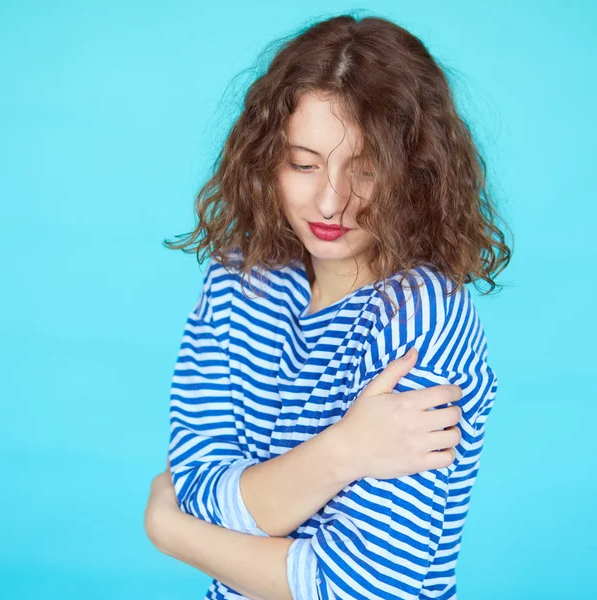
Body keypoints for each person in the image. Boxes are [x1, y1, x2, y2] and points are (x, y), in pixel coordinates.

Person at [159, 13, 511, 600]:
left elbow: (363, 587)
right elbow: (197, 489)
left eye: (366, 169)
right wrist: (343, 450)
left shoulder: (422, 316)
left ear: (414, 176)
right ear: (266, 159)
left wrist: (169, 531)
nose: (331, 201)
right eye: (304, 163)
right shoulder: (236, 281)